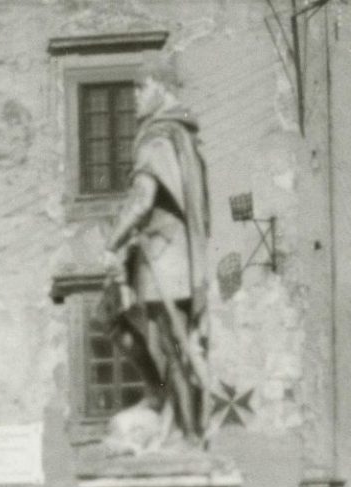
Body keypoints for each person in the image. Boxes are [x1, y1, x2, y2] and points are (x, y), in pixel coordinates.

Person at [105, 51, 213, 450]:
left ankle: (187, 432)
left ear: (161, 87)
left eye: (141, 87)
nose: (135, 96)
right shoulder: (180, 134)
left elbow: (142, 198)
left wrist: (112, 242)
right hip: (163, 253)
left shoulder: (159, 136)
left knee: (173, 343)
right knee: (118, 318)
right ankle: (160, 397)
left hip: (165, 255)